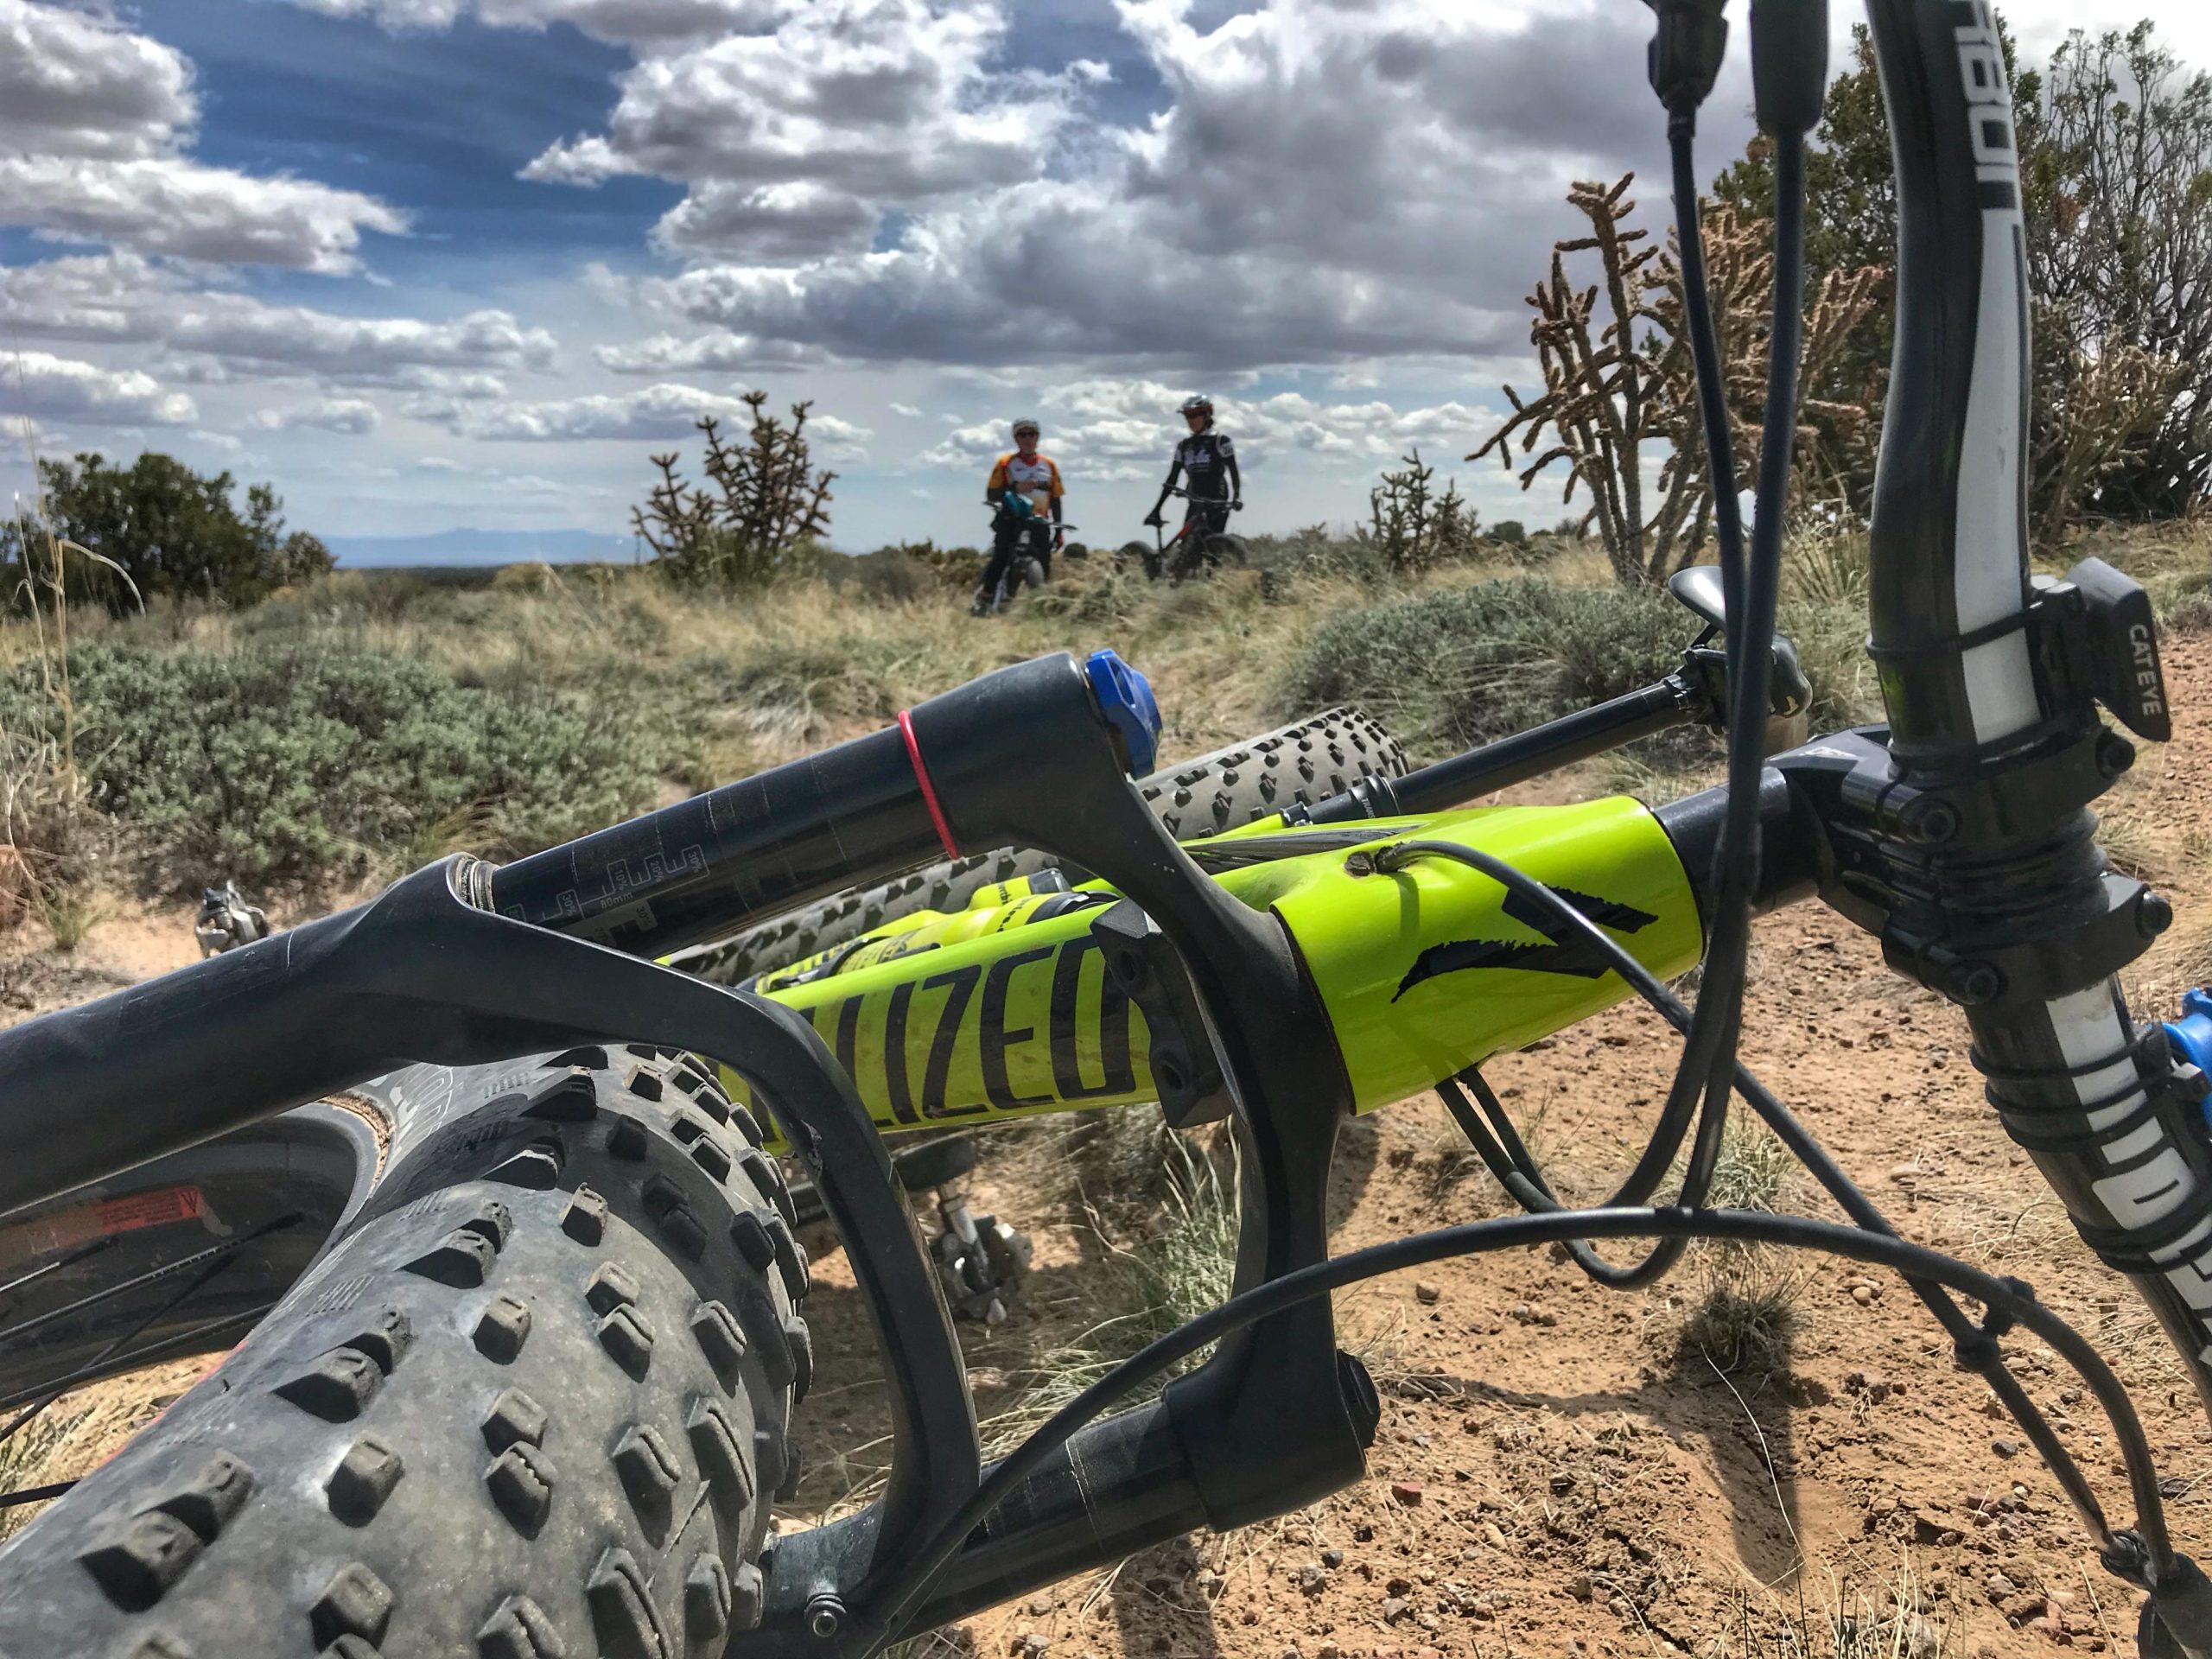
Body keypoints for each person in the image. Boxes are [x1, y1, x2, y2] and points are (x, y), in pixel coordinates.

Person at [973, 417, 1065, 615]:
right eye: (1023, 435)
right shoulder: (1006, 464)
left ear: (1038, 437)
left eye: (1032, 434)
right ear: (1016, 438)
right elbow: (991, 494)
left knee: (1044, 563)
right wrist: (1014, 487)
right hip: (1011, 520)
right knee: (1000, 557)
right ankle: (985, 597)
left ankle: (1041, 606)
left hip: (1040, 522)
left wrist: (1059, 529)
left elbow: (1056, 498)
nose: (1028, 439)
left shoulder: (1049, 465)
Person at [1144, 393, 1241, 569]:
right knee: (1188, 548)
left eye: (1195, 415)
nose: (1191, 420)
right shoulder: (1184, 446)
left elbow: (1233, 471)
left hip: (1217, 500)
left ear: (1207, 415)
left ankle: (1214, 586)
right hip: (1194, 500)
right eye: (1187, 416)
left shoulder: (1221, 441)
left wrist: (1237, 496)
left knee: (1214, 549)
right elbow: (1172, 478)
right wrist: (1157, 508)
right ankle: (1176, 579)